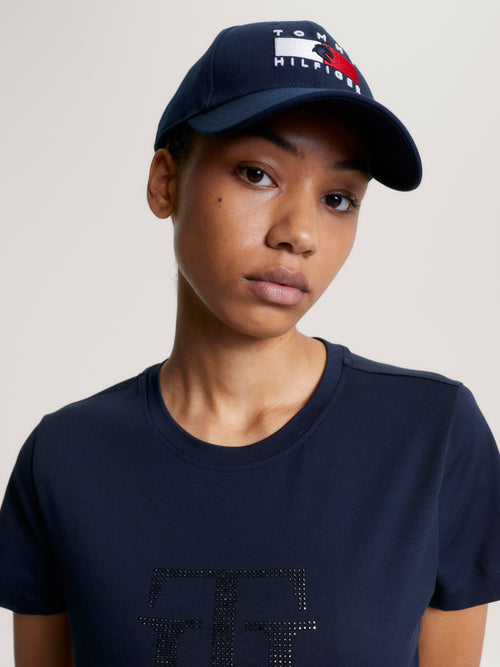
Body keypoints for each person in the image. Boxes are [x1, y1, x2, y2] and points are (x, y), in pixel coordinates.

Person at [0, 19, 499, 667]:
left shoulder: (434, 440)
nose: (300, 233)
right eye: (257, 174)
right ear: (165, 182)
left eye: (339, 198)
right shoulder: (64, 459)